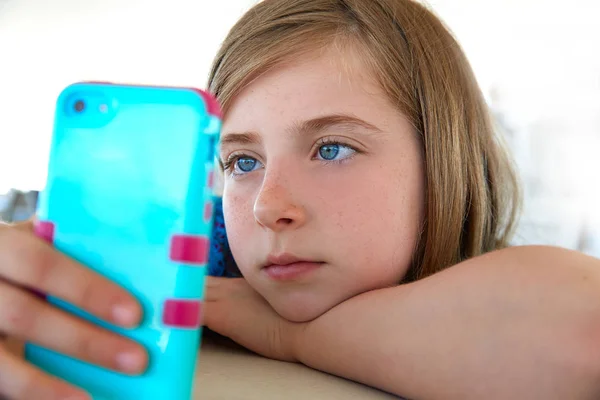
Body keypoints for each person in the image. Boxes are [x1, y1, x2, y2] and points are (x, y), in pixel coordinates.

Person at [1, 1, 600, 399]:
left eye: (332, 149)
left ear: (443, 163)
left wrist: (291, 337)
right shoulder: (195, 259)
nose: (269, 206)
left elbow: (582, 336)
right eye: (242, 161)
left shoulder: (492, 277)